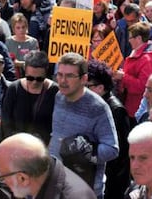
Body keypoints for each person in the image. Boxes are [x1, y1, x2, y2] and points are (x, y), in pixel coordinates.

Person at [49, 52, 119, 198]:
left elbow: (112, 149)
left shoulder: (98, 107)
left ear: (84, 79)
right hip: (56, 184)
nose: (62, 80)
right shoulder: (59, 96)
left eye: (69, 76)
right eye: (60, 75)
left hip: (85, 189)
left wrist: (84, 151)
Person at [0, 133, 96, 199]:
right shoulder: (47, 176)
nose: (3, 182)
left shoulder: (74, 196)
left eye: (2, 176)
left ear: (23, 178)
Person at [87, 59, 130, 199]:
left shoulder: (115, 110)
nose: (83, 90)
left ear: (100, 88)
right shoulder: (92, 104)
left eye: (88, 86)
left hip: (110, 182)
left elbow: (119, 154)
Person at [1, 51, 58, 144]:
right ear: (25, 71)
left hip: (43, 147)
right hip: (17, 145)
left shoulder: (54, 91)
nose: (34, 82)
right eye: (30, 78)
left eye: (40, 79)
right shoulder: (14, 89)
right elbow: (6, 121)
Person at [113, 22, 152, 127]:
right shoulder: (137, 52)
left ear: (138, 38)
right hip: (130, 105)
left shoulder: (148, 59)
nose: (129, 40)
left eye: (130, 37)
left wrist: (123, 76)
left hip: (137, 109)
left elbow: (143, 86)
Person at [5, 12, 39, 77]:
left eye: (23, 27)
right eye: (18, 28)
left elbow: (35, 62)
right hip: (12, 75)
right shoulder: (8, 41)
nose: (21, 30)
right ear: (13, 29)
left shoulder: (33, 42)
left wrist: (18, 63)